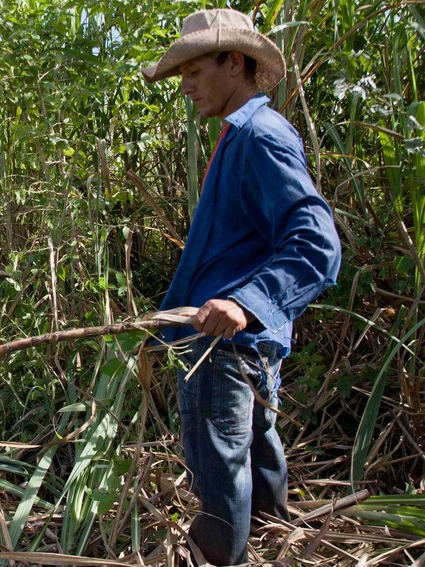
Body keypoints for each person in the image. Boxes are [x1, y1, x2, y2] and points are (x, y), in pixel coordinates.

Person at [142, 9, 342, 566]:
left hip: (225, 346)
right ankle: (279, 544)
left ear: (234, 62)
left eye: (194, 71)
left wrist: (244, 303)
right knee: (255, 450)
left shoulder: (257, 136)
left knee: (219, 474)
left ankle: (221, 558)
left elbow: (316, 243)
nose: (186, 87)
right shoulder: (241, 137)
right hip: (240, 343)